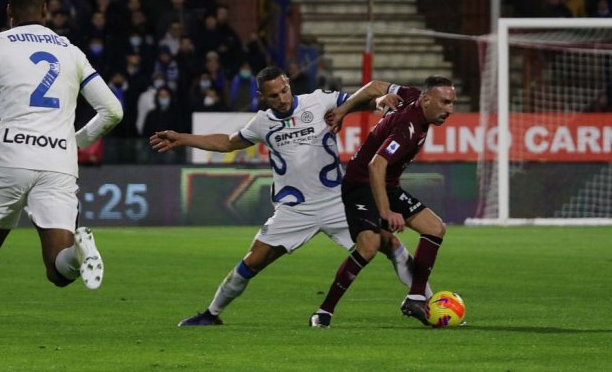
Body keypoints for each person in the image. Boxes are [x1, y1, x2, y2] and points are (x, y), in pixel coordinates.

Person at [0, 0, 123, 371]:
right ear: (47, 10)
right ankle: (79, 252)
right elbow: (113, 110)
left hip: (11, 156)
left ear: (9, 12)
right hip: (58, 164)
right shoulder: (72, 53)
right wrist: (75, 142)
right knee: (59, 271)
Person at [149, 66, 429, 326]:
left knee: (389, 243)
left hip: (337, 200)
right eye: (274, 95)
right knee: (253, 260)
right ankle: (211, 314)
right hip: (294, 209)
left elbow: (360, 99)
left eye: (284, 90)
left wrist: (378, 102)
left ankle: (426, 300)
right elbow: (226, 142)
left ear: (288, 84)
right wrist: (183, 138)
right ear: (262, 97)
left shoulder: (319, 101)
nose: (282, 99)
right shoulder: (263, 123)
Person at [309, 76, 455, 328]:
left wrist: (343, 110)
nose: (449, 110)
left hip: (387, 184)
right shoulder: (408, 127)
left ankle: (416, 298)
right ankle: (324, 311)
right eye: (444, 102)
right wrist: (386, 212)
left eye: (452, 103)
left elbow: (376, 86)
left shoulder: (411, 96)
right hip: (361, 183)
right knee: (369, 246)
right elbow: (376, 165)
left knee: (435, 227)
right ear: (427, 99)